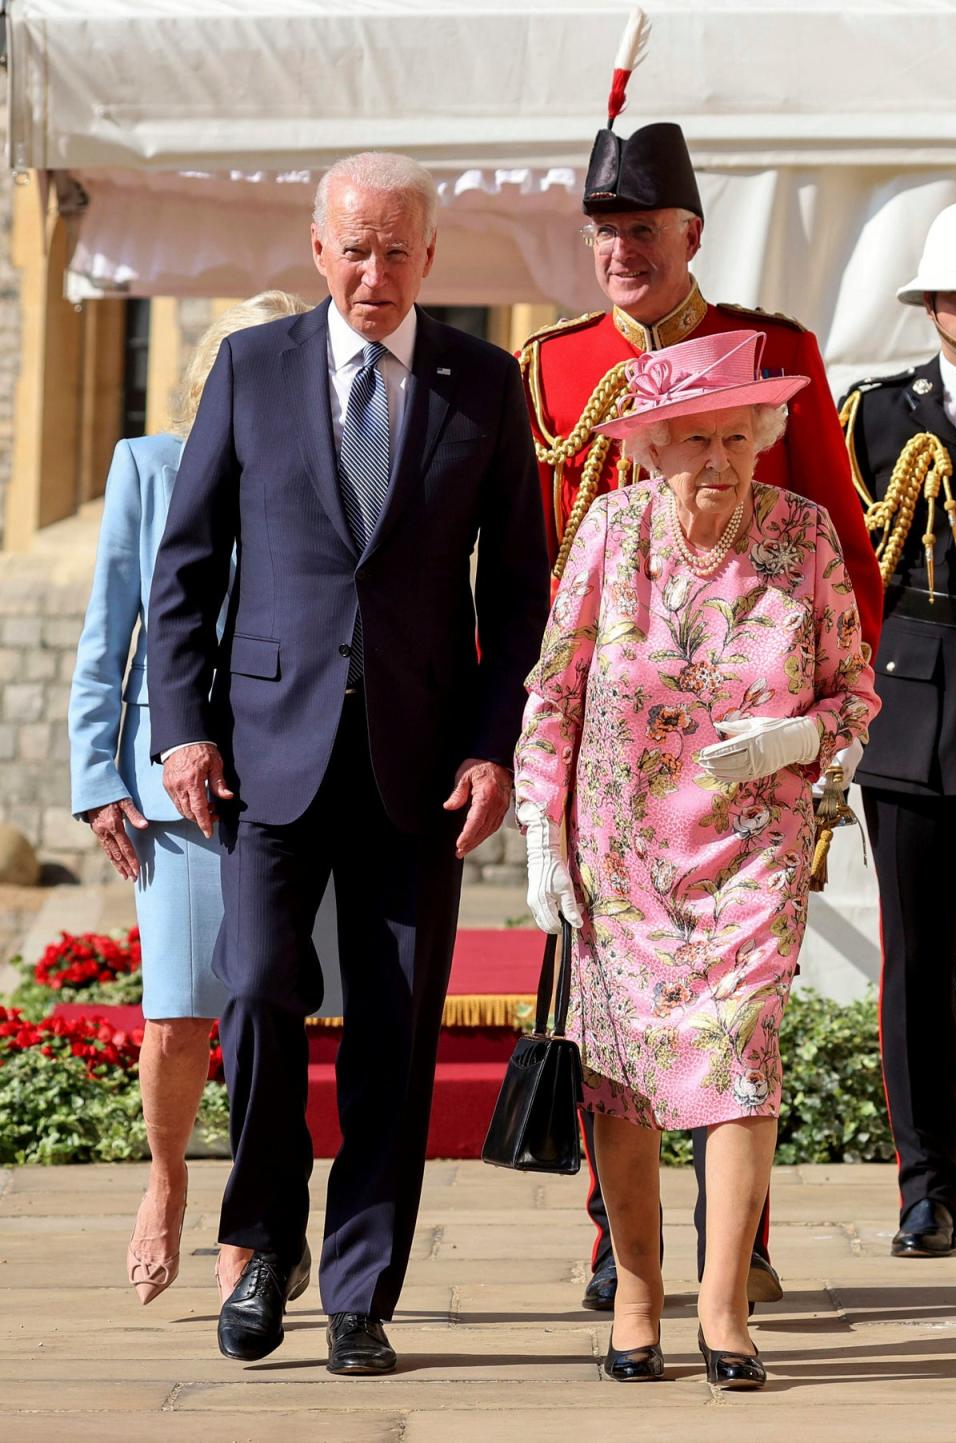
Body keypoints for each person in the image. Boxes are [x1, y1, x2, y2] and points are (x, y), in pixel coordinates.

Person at [146, 151, 549, 1373]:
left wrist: (495, 745)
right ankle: (264, 1244)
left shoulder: (482, 383)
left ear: (431, 257)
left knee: (396, 1024)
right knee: (262, 990)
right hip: (264, 754)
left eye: (397, 251)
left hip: (418, 764)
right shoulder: (252, 369)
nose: (375, 274)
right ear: (317, 250)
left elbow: (520, 594)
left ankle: (362, 1291)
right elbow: (187, 568)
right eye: (354, 248)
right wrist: (183, 727)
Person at [520, 85, 883, 1312]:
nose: (623, 253)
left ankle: (743, 1249)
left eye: (646, 231)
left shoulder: (773, 350)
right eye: (605, 233)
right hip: (612, 753)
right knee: (607, 1035)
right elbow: (534, 574)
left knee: (740, 1026)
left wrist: (826, 737)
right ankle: (613, 1249)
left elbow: (841, 532)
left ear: (691, 235)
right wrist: (537, 782)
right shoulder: (554, 364)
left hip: (751, 750)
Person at [68, 291, 309, 1305]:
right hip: (174, 793)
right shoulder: (147, 466)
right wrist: (97, 778)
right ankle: (165, 1181)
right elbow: (109, 626)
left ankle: (260, 1228)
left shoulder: (319, 470)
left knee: (270, 1014)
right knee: (179, 1017)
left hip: (297, 779)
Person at [839, 201, 956, 1258]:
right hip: (915, 699)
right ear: (933, 307)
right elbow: (851, 562)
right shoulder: (882, 413)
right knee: (916, 958)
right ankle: (926, 1182)